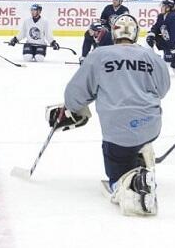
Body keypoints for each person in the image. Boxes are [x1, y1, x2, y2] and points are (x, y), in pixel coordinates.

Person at [55, 14, 169, 216]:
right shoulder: (151, 56)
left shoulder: (99, 55)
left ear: (114, 34)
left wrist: (73, 108)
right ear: (135, 34)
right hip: (151, 125)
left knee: (116, 176)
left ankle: (133, 183)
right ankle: (140, 155)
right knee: (136, 139)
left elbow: (75, 94)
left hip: (118, 131)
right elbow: (162, 89)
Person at [146, 0, 175, 71]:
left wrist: (174, 47)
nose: (161, 8)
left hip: (171, 43)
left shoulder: (173, 17)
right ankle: (151, 59)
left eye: (163, 6)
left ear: (168, 8)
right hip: (165, 40)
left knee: (168, 62)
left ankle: (165, 69)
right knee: (149, 40)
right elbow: (156, 26)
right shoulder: (161, 16)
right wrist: (152, 34)